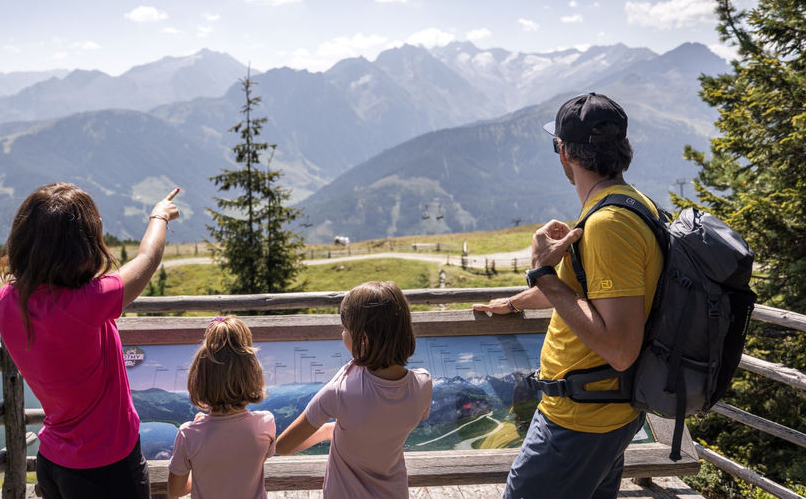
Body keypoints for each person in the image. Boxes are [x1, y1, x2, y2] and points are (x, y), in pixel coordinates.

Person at [473, 93, 662, 499]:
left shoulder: (609, 224)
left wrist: (542, 272)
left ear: (563, 152)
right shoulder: (631, 205)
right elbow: (584, 292)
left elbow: (621, 348)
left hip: (580, 421)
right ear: (623, 148)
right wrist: (514, 303)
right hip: (601, 412)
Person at [0, 182, 180, 499]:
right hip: (107, 468)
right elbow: (148, 259)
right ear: (83, 245)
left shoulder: (8, 301)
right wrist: (158, 216)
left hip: (52, 461)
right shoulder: (88, 303)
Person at [276, 281, 433, 499]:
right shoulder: (423, 384)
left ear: (363, 339)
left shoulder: (339, 392)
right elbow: (381, 423)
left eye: (345, 329)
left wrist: (324, 429)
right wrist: (331, 431)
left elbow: (284, 446)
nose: (342, 334)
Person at [166, 316, 276, 499]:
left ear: (199, 379)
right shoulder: (265, 423)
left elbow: (175, 491)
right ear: (253, 374)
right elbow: (248, 462)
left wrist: (201, 466)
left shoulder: (189, 434)